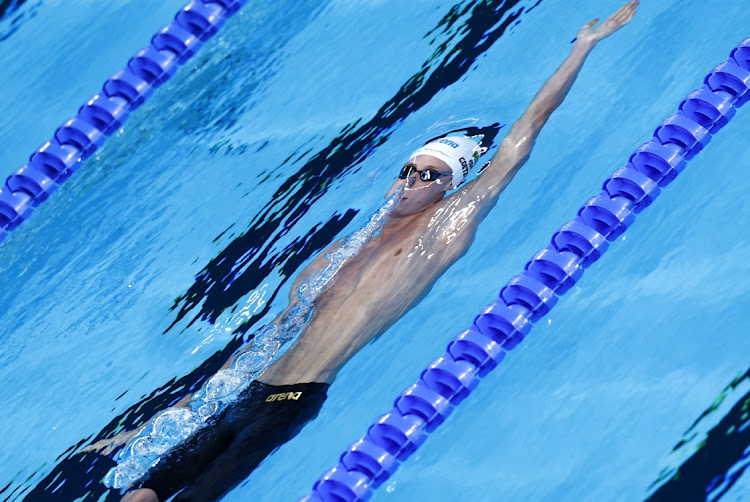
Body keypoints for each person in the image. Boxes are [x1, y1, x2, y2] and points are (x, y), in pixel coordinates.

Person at [101, 2, 639, 500]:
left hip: (289, 403)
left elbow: (521, 139)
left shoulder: (444, 228)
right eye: (410, 169)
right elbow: (262, 344)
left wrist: (582, 47)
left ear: (448, 189)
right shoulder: (338, 253)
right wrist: (173, 416)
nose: (413, 181)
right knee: (138, 495)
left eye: (430, 176)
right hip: (245, 395)